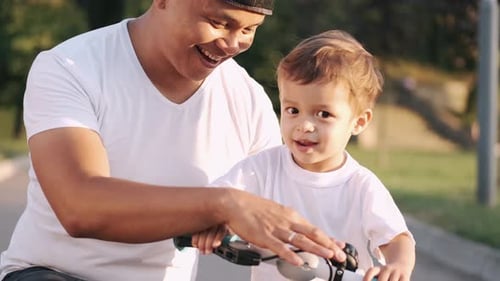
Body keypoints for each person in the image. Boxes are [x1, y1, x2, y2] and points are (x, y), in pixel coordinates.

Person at [0, 1, 348, 281]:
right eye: (218, 22)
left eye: (248, 29)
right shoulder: (71, 67)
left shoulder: (248, 100)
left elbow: (280, 211)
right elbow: (79, 206)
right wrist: (221, 204)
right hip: (50, 273)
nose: (231, 43)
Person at [193, 30, 416, 281]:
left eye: (323, 114)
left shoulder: (361, 186)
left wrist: (398, 265)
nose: (304, 125)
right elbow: (217, 201)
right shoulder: (263, 168)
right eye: (292, 110)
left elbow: (397, 238)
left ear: (359, 121)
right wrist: (212, 225)